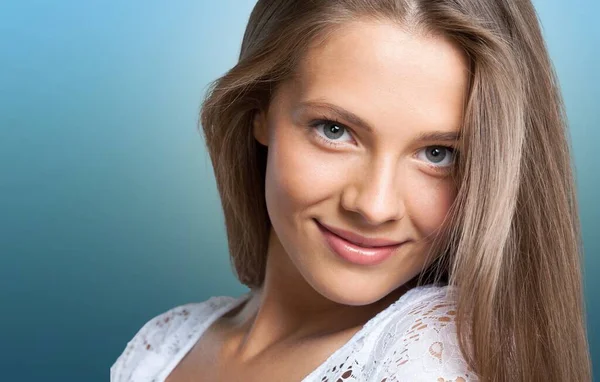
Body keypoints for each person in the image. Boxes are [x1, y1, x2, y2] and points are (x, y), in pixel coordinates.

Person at [110, 0, 592, 381]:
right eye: (335, 130)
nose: (374, 206)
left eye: (439, 153)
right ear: (258, 110)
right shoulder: (167, 344)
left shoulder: (428, 362)